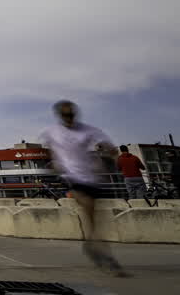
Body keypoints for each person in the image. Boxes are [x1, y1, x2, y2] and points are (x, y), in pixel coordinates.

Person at [39, 100, 127, 276]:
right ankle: (103, 253)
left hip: (92, 178)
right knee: (88, 208)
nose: (69, 118)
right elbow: (52, 151)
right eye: (65, 115)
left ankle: (92, 243)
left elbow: (111, 149)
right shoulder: (52, 132)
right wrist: (56, 165)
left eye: (71, 114)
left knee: (95, 217)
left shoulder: (88, 130)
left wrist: (108, 157)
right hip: (72, 178)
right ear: (60, 116)